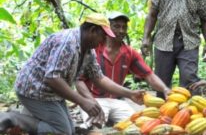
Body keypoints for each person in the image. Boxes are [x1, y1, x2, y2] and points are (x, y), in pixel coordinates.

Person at [0, 13, 144, 135]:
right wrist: (82, 101)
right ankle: (14, 118)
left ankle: (29, 118)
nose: (104, 40)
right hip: (34, 90)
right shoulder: (67, 42)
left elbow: (99, 78)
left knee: (68, 130)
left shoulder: (88, 49)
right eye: (103, 36)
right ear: (93, 30)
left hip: (52, 93)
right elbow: (52, 78)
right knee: (62, 132)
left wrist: (130, 93)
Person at [77, 12, 171, 127]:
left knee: (136, 127)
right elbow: (79, 79)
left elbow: (149, 75)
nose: (121, 31)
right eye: (116, 26)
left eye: (124, 27)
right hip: (95, 100)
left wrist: (165, 89)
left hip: (118, 101)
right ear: (107, 28)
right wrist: (88, 100)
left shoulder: (129, 53)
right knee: (93, 127)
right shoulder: (93, 48)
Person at [141, 0, 206, 97]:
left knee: (190, 80)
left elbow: (205, 19)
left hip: (189, 42)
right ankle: (162, 113)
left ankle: (188, 114)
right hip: (164, 41)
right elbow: (152, 15)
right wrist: (146, 38)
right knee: (161, 82)